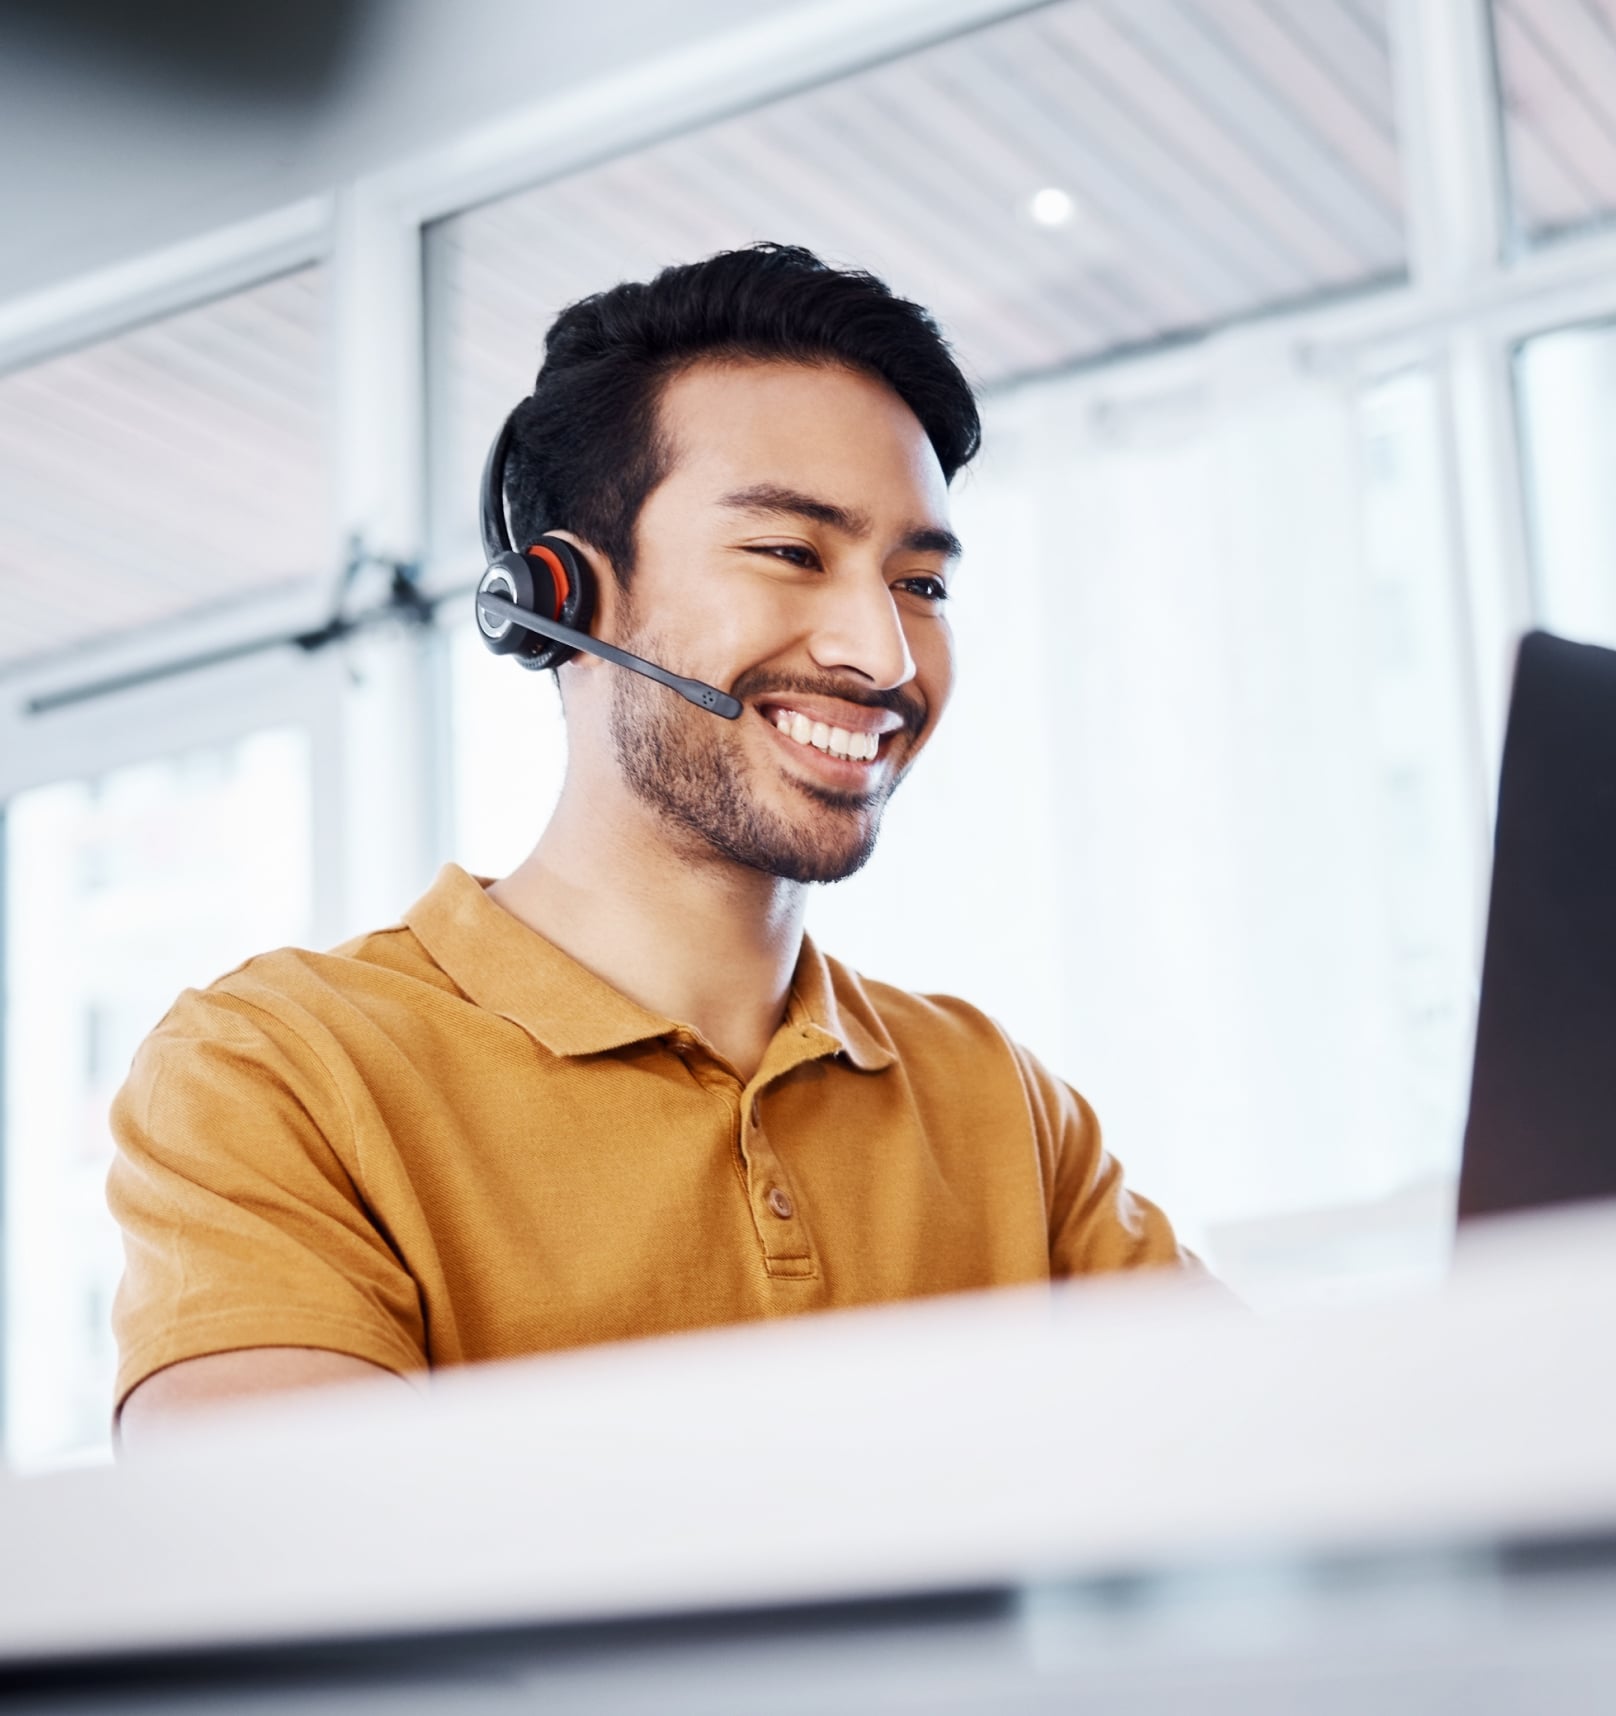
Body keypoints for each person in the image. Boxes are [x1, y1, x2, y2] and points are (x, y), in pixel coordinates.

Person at [109, 243, 1200, 1444]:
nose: (884, 658)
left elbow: (1267, 1462)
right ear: (562, 599)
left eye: (921, 586)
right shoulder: (281, 1071)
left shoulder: (1000, 1102)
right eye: (791, 553)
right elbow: (283, 1580)